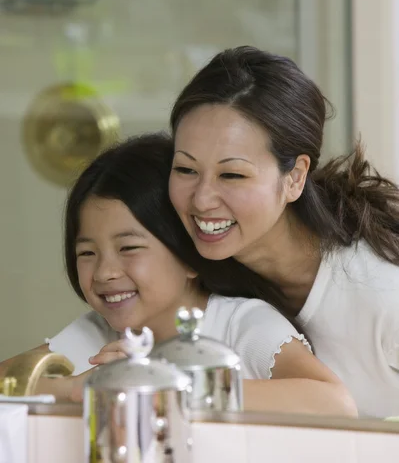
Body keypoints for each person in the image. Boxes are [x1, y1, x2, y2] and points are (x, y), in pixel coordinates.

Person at [0, 133, 356, 416]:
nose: (105, 272)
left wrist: (166, 385)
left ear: (189, 257)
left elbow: (332, 402)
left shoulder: (239, 323)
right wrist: (77, 389)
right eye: (86, 253)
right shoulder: (97, 332)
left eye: (129, 248)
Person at [168, 45, 399, 418]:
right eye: (185, 169)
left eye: (232, 174)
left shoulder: (385, 299)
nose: (202, 199)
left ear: (294, 178)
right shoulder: (193, 268)